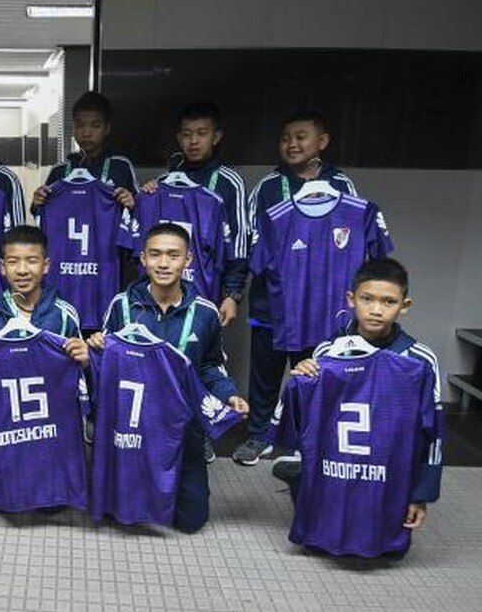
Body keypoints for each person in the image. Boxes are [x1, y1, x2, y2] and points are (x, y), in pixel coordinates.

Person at [87, 223, 248, 533]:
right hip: (131, 424)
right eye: (155, 254)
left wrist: (229, 394)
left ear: (188, 260)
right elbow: (107, 364)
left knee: (191, 521)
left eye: (173, 255)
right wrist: (96, 347)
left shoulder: (204, 313)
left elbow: (210, 366)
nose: (163, 263)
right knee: (116, 513)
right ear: (143, 259)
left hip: (181, 425)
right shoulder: (121, 305)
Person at [276, 258, 443, 534]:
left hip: (388, 467)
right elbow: (309, 421)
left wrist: (421, 494)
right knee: (322, 535)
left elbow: (434, 434)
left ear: (405, 305)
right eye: (367, 299)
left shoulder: (419, 361)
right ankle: (299, 478)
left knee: (386, 546)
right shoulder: (326, 352)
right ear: (351, 299)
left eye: (388, 302)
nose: (376, 310)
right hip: (337, 461)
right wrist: (301, 380)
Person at [233, 110, 361, 465]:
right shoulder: (268, 187)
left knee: (315, 374)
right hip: (271, 305)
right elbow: (249, 246)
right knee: (265, 374)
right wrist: (237, 292)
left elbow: (354, 245)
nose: (292, 144)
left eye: (301, 136)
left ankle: (311, 439)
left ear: (322, 142)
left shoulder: (343, 186)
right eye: (286, 137)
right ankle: (259, 435)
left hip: (322, 307)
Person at [140, 101, 248, 326]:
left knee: (199, 357)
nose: (194, 141)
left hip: (204, 296)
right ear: (179, 138)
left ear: (216, 137)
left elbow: (238, 245)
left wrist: (232, 295)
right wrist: (143, 198)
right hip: (157, 297)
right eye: (187, 134)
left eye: (201, 133)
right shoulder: (160, 185)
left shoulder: (229, 183)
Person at [0, 225, 87, 364]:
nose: (22, 270)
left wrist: (85, 361)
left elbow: (78, 373)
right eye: (13, 261)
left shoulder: (64, 315)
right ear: (2, 267)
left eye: (32, 261)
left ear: (46, 265)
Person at [30, 91, 138, 215]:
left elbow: (139, 212)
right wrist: (36, 203)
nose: (86, 133)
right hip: (67, 233)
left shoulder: (120, 166)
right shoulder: (60, 170)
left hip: (108, 233)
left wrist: (132, 203)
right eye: (80, 125)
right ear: (73, 128)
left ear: (107, 129)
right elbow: (41, 214)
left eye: (95, 126)